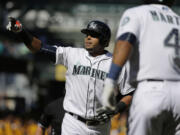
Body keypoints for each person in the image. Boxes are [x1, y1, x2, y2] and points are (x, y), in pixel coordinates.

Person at [6, 18, 134, 135]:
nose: (88, 37)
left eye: (93, 35)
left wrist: (115, 110)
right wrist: (22, 31)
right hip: (73, 123)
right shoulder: (72, 54)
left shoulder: (116, 63)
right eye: (87, 34)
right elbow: (39, 47)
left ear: (104, 40)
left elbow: (129, 93)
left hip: (100, 127)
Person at [101, 0, 180, 135]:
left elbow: (125, 41)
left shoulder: (137, 13)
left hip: (151, 90)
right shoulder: (178, 19)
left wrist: (110, 82)